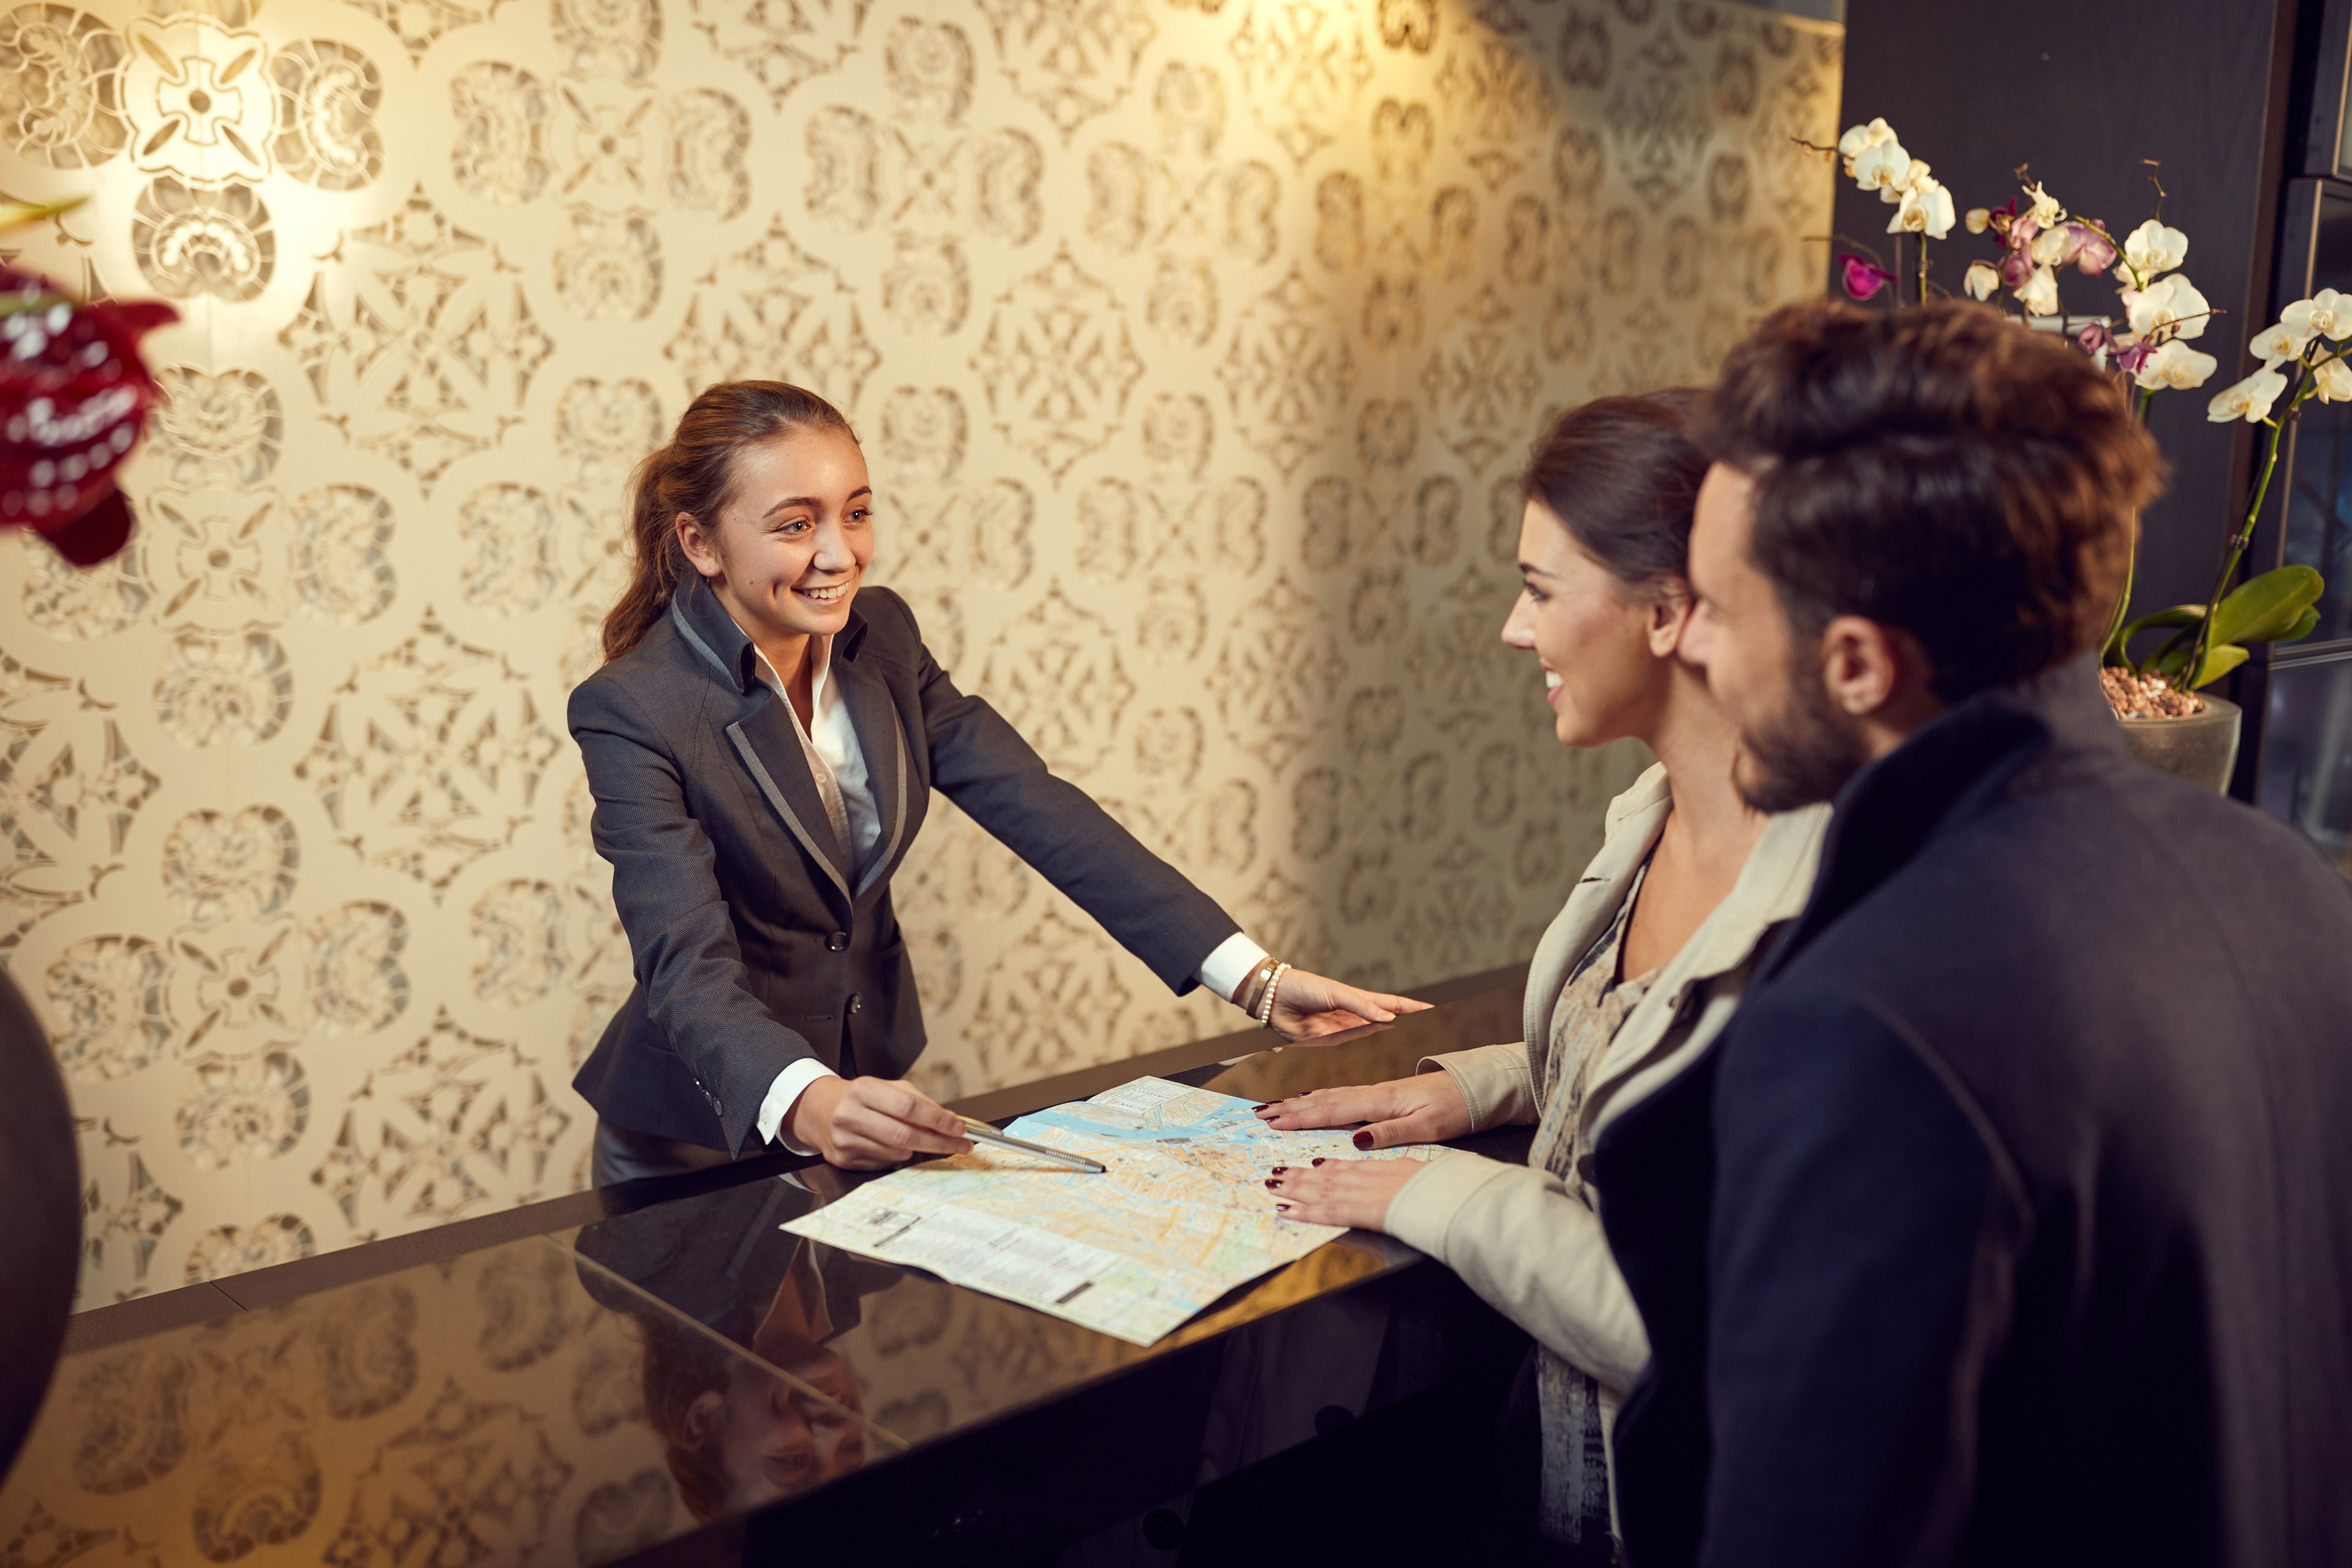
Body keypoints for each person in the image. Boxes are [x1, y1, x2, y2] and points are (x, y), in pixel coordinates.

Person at [1596, 300, 2352, 1568]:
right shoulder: (2287, 878)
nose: (1696, 649)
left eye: (1718, 605)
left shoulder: (1871, 1027)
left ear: (1855, 663)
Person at [573, 381, 1421, 1185]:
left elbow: (1039, 807)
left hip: (863, 1088)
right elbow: (685, 962)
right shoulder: (633, 708)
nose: (841, 552)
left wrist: (1254, 979)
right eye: (797, 525)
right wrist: (808, 1097)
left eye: (857, 513)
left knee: (835, 1342)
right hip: (696, 1132)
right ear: (700, 542)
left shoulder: (884, 638)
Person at [1259, 391, 1831, 1558]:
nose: (1514, 632)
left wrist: (1442, 1193)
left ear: (1670, 610)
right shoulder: (1653, 811)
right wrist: (1474, 1089)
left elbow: (1696, 1325)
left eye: (1538, 588)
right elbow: (1662, 1052)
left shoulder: (1823, 906)